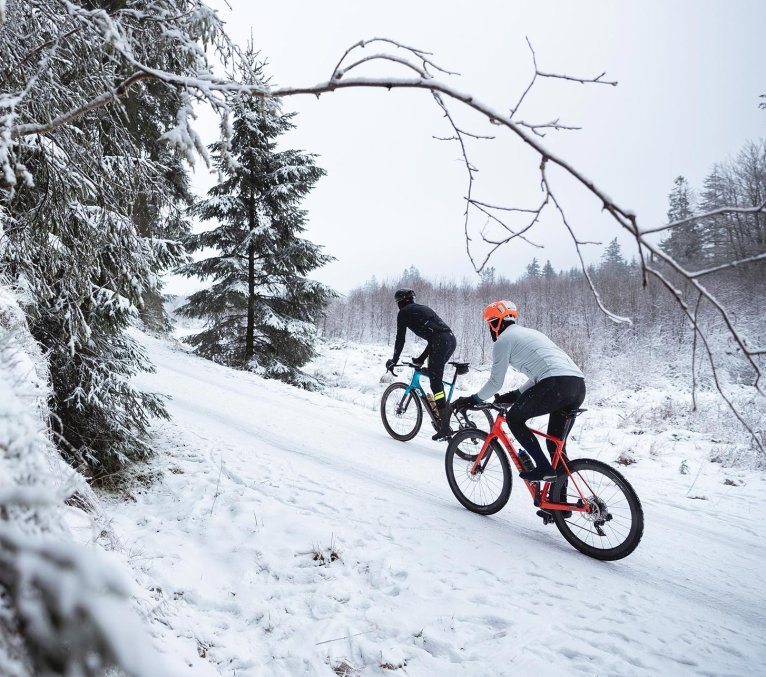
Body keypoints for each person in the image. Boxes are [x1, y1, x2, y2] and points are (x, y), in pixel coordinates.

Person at [452, 300, 585, 483]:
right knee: (556, 447)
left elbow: (495, 383)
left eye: (490, 323)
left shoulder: (503, 341)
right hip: (577, 385)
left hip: (555, 384)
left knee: (514, 419)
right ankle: (558, 505)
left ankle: (543, 467)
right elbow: (541, 373)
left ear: (496, 323)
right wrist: (515, 395)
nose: (490, 328)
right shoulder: (532, 334)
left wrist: (472, 399)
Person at [385, 289, 457, 440]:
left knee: (435, 383)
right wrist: (420, 358)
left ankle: (444, 426)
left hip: (439, 342)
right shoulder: (423, 308)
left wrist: (394, 360)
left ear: (400, 302)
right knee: (433, 373)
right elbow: (435, 336)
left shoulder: (404, 312)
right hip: (450, 339)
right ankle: (442, 412)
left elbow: (400, 339)